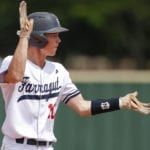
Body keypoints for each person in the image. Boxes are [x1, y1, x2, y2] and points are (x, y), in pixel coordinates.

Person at [0, 1, 150, 150]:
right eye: (54, 35)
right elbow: (15, 76)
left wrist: (121, 102)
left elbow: (82, 107)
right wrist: (24, 37)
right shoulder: (10, 62)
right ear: (39, 38)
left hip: (47, 146)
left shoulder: (58, 70)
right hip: (16, 146)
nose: (59, 40)